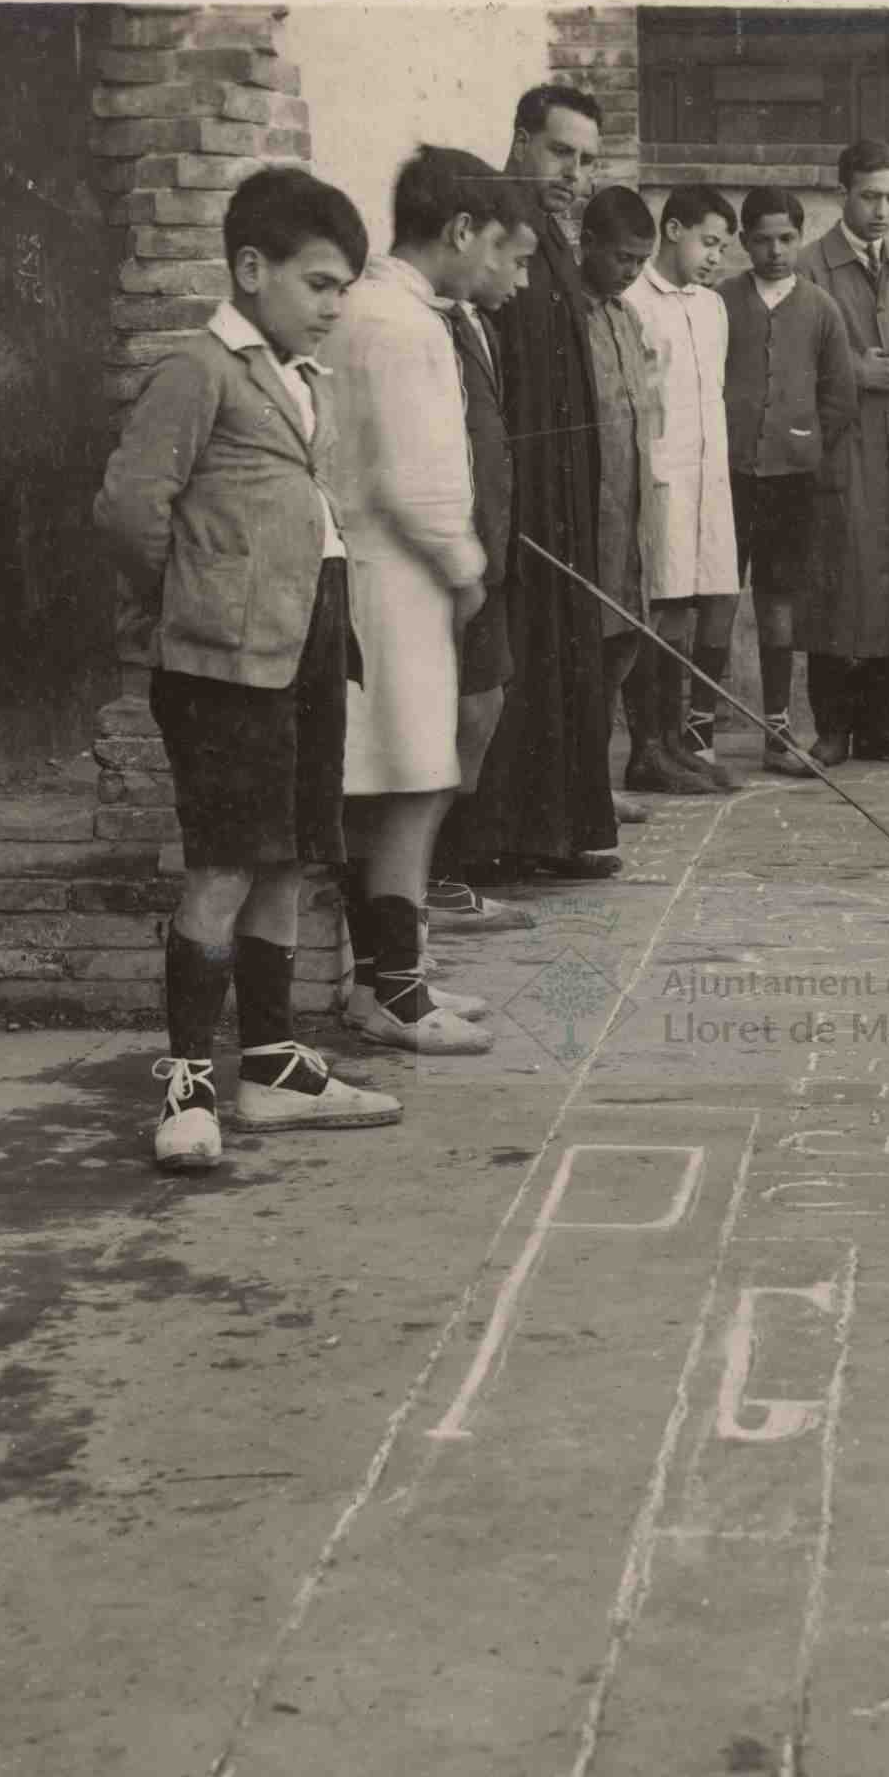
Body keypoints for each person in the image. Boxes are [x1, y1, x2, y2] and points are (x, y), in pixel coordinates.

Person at [95, 166, 401, 1172]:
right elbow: (129, 511)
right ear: (251, 268)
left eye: (342, 289)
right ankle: (186, 1089)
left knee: (287, 857)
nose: (331, 307)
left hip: (305, 646)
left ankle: (271, 1069)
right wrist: (188, 607)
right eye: (318, 284)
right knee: (222, 865)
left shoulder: (298, 378)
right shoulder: (198, 372)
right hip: (223, 666)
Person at [317, 146, 537, 1061]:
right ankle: (397, 994)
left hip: (376, 576)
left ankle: (382, 980)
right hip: (397, 579)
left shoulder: (377, 310)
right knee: (411, 785)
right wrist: (464, 564)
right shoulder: (401, 326)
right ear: (461, 231)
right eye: (505, 251)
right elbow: (416, 481)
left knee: (391, 785)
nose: (510, 273)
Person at [439, 84, 623, 885]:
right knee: (512, 660)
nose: (572, 174)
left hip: (561, 491)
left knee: (558, 651)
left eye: (584, 160)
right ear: (520, 140)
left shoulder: (551, 238)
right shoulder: (495, 231)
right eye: (559, 152)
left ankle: (548, 831)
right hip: (517, 495)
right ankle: (491, 840)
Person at [796, 140, 889, 769]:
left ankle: (880, 726)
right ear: (843, 195)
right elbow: (785, 365)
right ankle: (832, 727)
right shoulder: (808, 267)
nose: (882, 210)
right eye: (870, 196)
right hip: (841, 452)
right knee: (835, 586)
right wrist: (851, 372)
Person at [421, 184, 541, 945]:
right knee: (458, 714)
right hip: (452, 564)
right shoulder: (428, 327)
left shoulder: (478, 325)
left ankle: (445, 871)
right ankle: (427, 881)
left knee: (482, 707)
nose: (519, 280)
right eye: (513, 260)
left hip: (486, 557)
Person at [722, 185, 859, 778]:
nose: (775, 251)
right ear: (743, 241)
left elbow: (840, 397)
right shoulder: (721, 301)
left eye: (786, 239)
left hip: (790, 484)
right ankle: (698, 730)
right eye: (762, 240)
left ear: (800, 238)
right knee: (716, 599)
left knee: (778, 603)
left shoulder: (821, 308)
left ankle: (776, 730)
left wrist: (804, 444)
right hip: (726, 479)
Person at [622, 184, 744, 792]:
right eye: (708, 242)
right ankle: (648, 749)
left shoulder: (712, 306)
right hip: (661, 476)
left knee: (703, 600)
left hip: (707, 476)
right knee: (661, 605)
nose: (716, 256)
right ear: (673, 231)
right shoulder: (633, 302)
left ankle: (677, 743)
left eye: (722, 247)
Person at [573, 186, 676, 800]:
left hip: (633, 517)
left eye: (641, 261)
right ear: (587, 244)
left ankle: (598, 781)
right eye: (622, 258)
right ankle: (584, 788)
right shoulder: (567, 318)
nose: (632, 272)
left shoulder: (626, 317)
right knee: (583, 656)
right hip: (590, 519)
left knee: (623, 647)